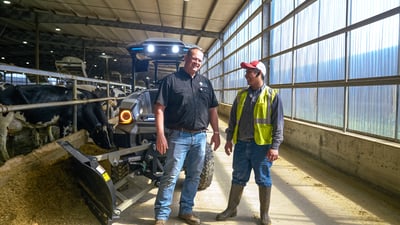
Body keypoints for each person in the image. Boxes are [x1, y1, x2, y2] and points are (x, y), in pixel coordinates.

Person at [153, 47, 221, 225]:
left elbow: (213, 109)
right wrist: (160, 134)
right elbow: (159, 108)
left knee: (194, 176)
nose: (197, 62)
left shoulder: (206, 83)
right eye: (194, 58)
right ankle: (161, 215)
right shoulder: (171, 81)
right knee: (170, 175)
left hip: (200, 137)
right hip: (178, 136)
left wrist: (216, 132)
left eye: (200, 60)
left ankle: (186, 210)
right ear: (185, 58)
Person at [216, 60, 284, 225]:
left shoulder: (272, 95)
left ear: (259, 73)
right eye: (246, 72)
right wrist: (229, 139)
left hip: (261, 146)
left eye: (249, 72)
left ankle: (264, 215)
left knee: (263, 179)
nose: (246, 75)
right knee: (238, 177)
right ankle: (231, 209)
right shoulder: (241, 95)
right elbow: (233, 119)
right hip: (241, 144)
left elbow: (278, 123)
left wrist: (275, 147)